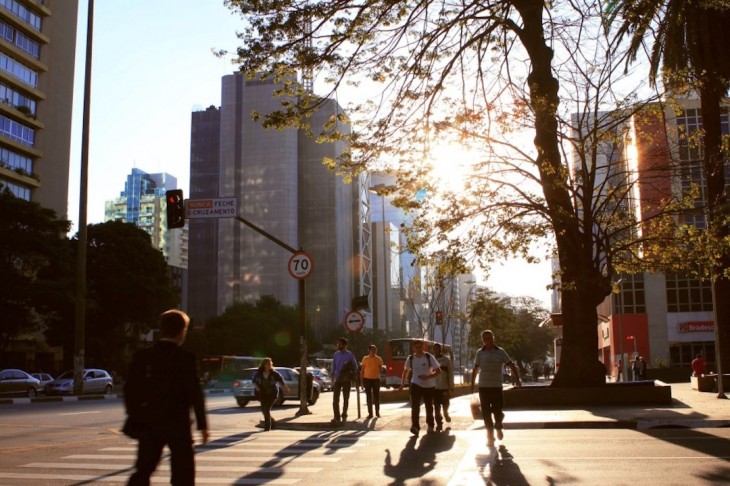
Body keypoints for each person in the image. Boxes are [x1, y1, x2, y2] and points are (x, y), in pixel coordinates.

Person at [124, 309, 208, 486]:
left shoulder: (143, 356)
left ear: (161, 329)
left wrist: (137, 415)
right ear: (181, 332)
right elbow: (195, 394)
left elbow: (130, 390)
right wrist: (203, 425)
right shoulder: (186, 359)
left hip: (149, 423)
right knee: (183, 474)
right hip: (179, 425)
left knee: (143, 470)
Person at [470, 330, 521, 447]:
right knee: (486, 412)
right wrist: (472, 385)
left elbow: (511, 364)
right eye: (485, 339)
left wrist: (517, 379)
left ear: (494, 338)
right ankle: (490, 435)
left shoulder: (500, 352)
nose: (488, 341)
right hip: (483, 386)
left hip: (496, 386)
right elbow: (475, 369)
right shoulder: (480, 353)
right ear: (483, 340)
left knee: (497, 410)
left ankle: (498, 425)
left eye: (490, 338)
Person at [399, 339, 441, 437]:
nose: (418, 349)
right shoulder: (410, 358)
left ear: (423, 347)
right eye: (416, 347)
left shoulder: (428, 357)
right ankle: (415, 426)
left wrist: (428, 377)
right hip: (416, 384)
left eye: (420, 347)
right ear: (413, 348)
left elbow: (438, 371)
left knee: (429, 406)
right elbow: (406, 371)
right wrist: (402, 384)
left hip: (429, 386)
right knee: (415, 406)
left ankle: (430, 424)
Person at [252, 358, 286, 431]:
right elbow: (254, 381)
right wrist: (257, 387)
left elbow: (281, 380)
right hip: (262, 394)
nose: (270, 365)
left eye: (270, 364)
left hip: (272, 394)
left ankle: (267, 427)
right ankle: (272, 421)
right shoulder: (259, 373)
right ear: (264, 365)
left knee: (266, 409)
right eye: (268, 364)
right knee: (263, 410)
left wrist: (285, 387)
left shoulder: (274, 373)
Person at [331, 337, 359, 424]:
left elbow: (355, 366)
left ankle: (344, 415)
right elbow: (333, 366)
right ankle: (336, 417)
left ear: (345, 345)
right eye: (337, 344)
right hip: (337, 379)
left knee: (346, 399)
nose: (338, 345)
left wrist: (350, 372)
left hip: (346, 380)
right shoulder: (336, 354)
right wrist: (332, 376)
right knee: (335, 399)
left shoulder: (350, 355)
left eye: (340, 344)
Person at [432, 343, 454, 431]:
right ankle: (439, 423)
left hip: (444, 387)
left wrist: (451, 386)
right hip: (434, 388)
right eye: (435, 349)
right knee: (436, 407)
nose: (436, 350)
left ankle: (445, 413)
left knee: (446, 404)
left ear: (441, 350)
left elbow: (451, 374)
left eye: (438, 349)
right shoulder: (431, 360)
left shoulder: (446, 360)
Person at [360, 344, 384, 419]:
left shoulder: (379, 359)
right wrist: (361, 383)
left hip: (376, 379)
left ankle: (377, 412)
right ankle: (370, 413)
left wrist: (378, 371)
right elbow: (362, 371)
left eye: (375, 349)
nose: (374, 351)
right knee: (368, 397)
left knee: (376, 396)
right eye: (372, 350)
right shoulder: (365, 358)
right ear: (369, 350)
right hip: (367, 379)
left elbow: (380, 369)